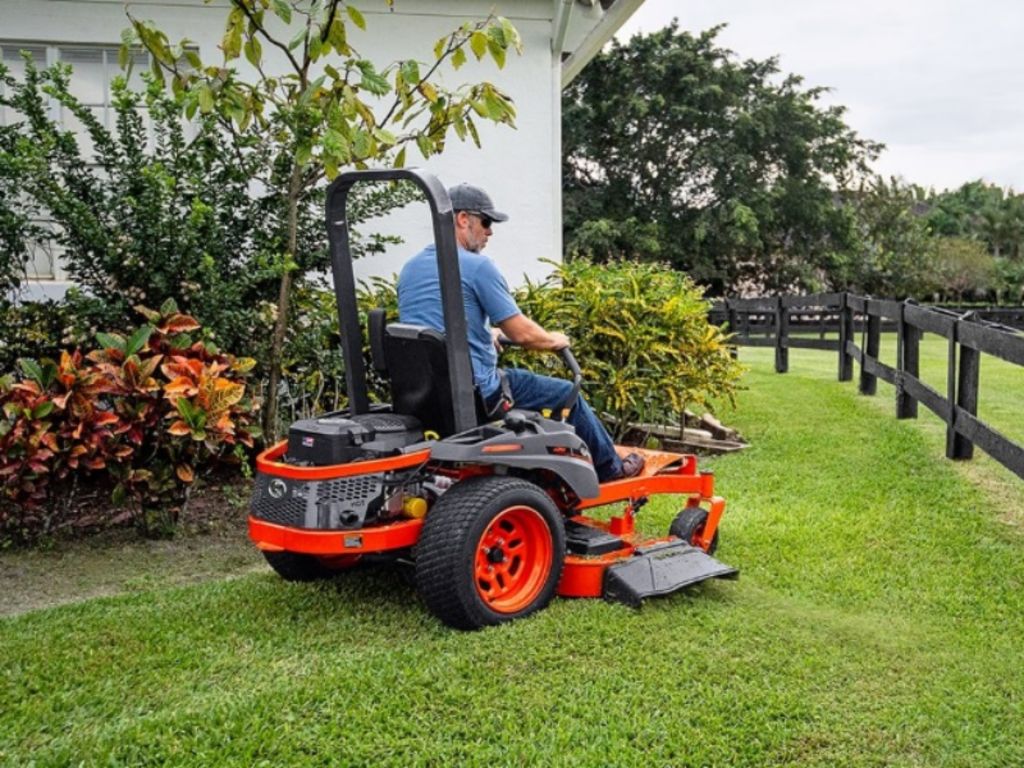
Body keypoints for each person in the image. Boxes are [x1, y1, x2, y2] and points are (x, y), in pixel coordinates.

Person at [397, 182, 644, 482]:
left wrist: (484, 334)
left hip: (429, 396)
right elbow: (523, 333)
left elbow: (436, 326)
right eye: (486, 222)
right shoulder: (477, 267)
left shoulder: (411, 268)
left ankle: (547, 475)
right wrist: (555, 339)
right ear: (463, 219)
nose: (490, 232)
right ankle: (611, 469)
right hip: (477, 393)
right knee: (567, 393)